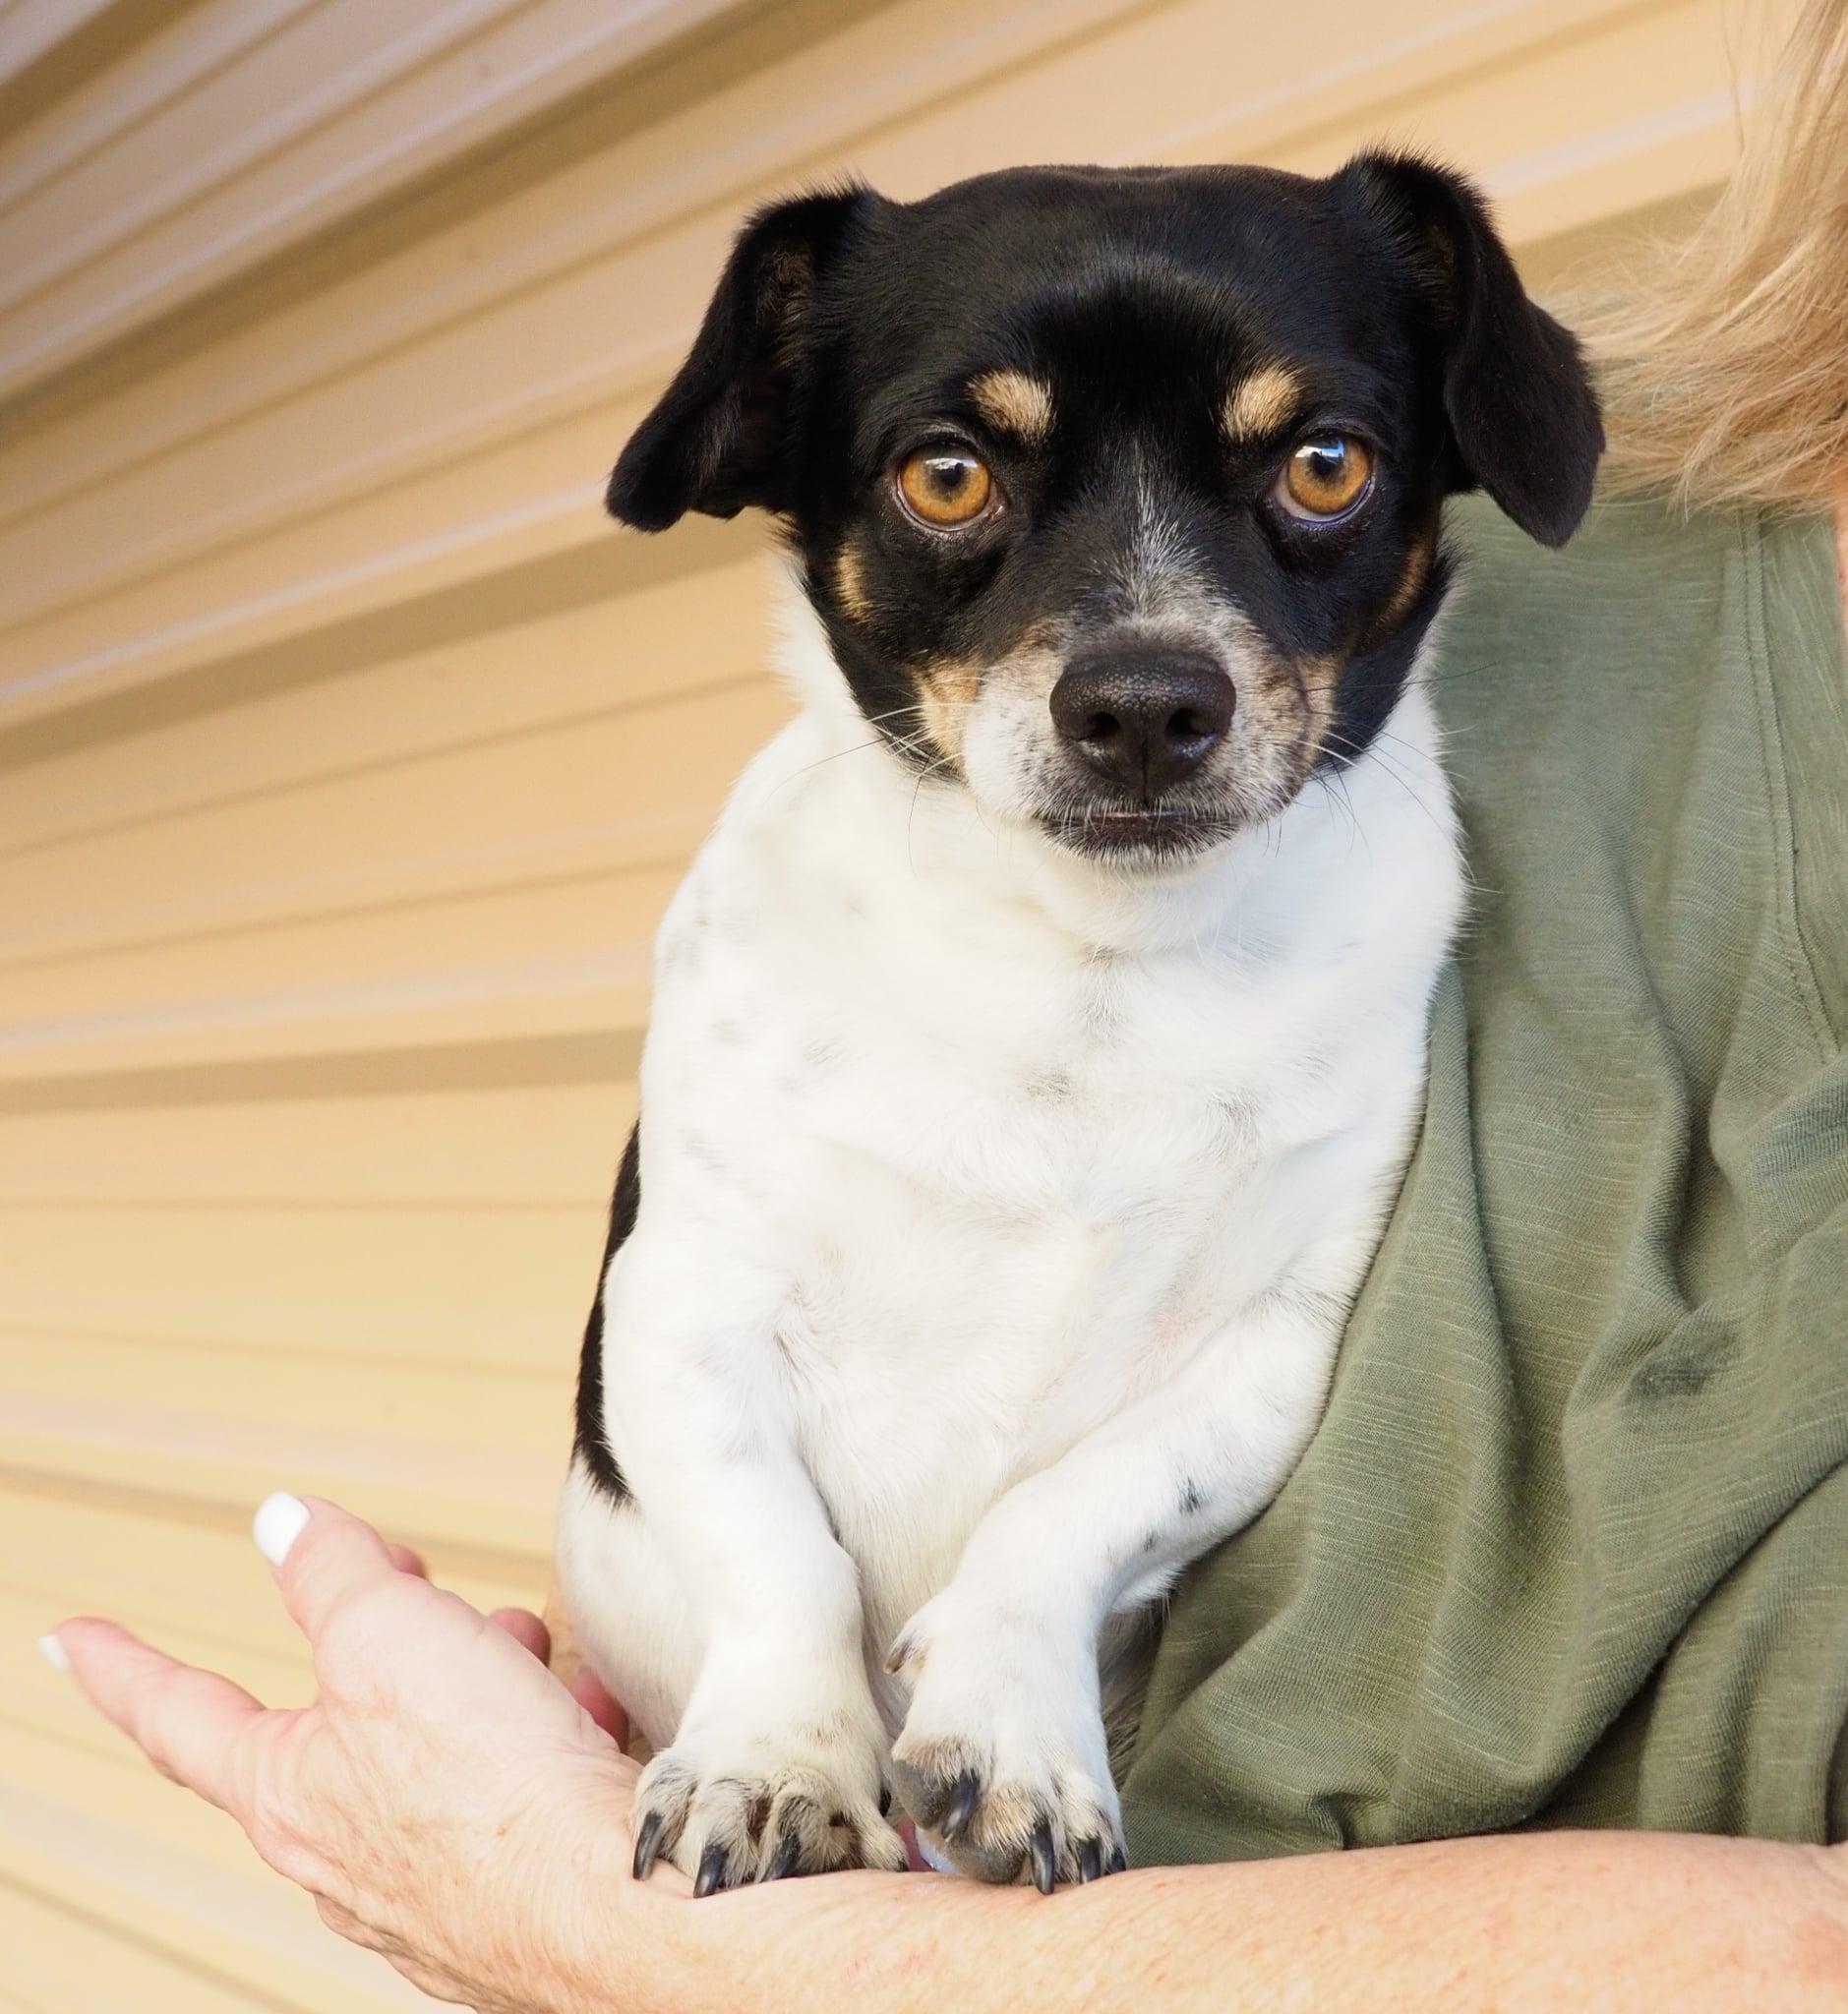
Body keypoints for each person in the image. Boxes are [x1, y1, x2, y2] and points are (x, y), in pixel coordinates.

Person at [40, 1, 1848, 2005]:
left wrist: (1021, 1609)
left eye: (1313, 466)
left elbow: (1271, 1342)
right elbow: (701, 1310)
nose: (1146, 663)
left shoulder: (1419, 866)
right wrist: (768, 1674)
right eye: (958, 475)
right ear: (792, 469)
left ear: (1433, 477)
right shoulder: (773, 927)